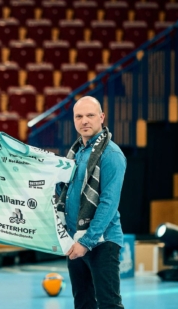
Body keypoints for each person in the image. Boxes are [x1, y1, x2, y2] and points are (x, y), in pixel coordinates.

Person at [57, 96, 126, 309]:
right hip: (75, 240)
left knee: (109, 304)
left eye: (90, 115)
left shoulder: (111, 154)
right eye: (79, 116)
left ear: (101, 117)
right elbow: (67, 193)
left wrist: (86, 242)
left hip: (102, 242)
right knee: (83, 304)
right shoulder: (76, 153)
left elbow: (108, 203)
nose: (84, 120)